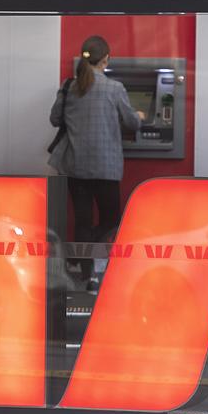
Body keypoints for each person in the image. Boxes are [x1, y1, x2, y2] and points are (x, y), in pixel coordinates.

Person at [48, 35, 145, 293]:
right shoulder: (115, 88)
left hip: (76, 165)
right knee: (111, 219)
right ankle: (93, 269)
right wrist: (139, 115)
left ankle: (85, 272)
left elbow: (55, 119)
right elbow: (132, 123)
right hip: (106, 167)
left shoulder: (69, 86)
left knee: (82, 220)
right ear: (107, 59)